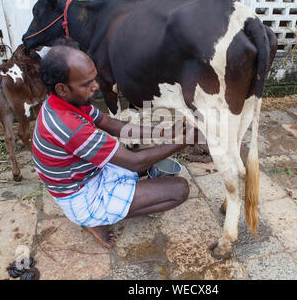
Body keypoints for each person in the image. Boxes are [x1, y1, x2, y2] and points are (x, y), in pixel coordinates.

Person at [33, 45, 196, 248]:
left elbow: (112, 125)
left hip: (87, 175)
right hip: (83, 196)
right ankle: (96, 220)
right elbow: (135, 163)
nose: (95, 87)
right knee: (180, 189)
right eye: (87, 83)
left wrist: (163, 133)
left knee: (143, 158)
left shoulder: (67, 102)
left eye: (94, 79)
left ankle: (108, 210)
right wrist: (186, 140)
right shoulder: (69, 126)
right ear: (62, 88)